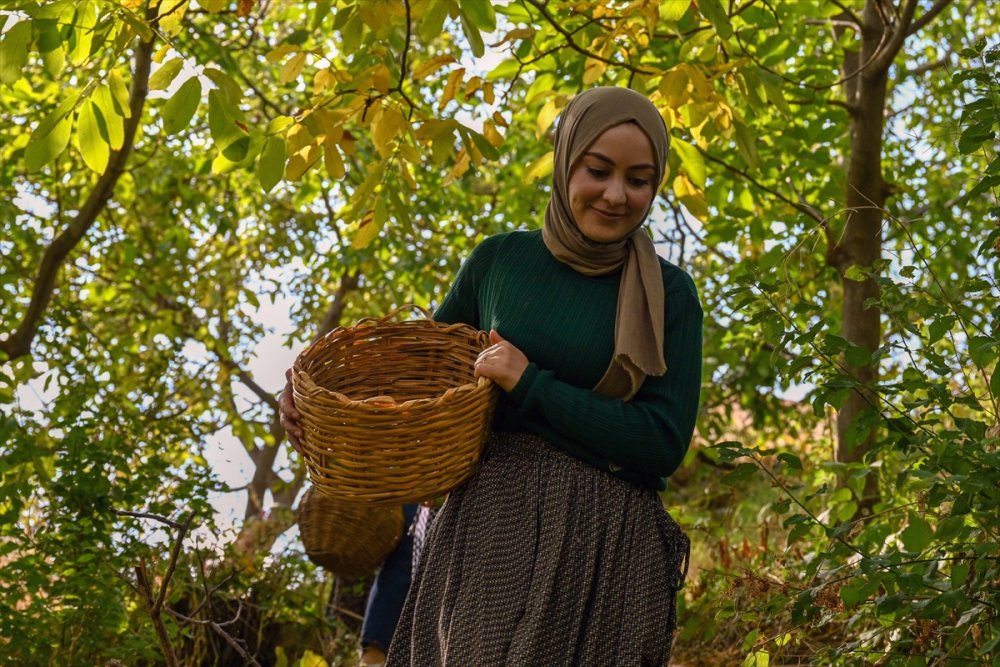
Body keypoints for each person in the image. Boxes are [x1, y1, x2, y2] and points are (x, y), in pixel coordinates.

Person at [281, 86, 702, 666]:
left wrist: (532, 384)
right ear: (565, 163)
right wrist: (310, 400)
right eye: (598, 170)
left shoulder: (670, 295)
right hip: (488, 534)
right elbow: (417, 380)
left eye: (639, 180)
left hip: (610, 550)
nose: (616, 195)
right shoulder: (499, 262)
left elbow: (661, 441)